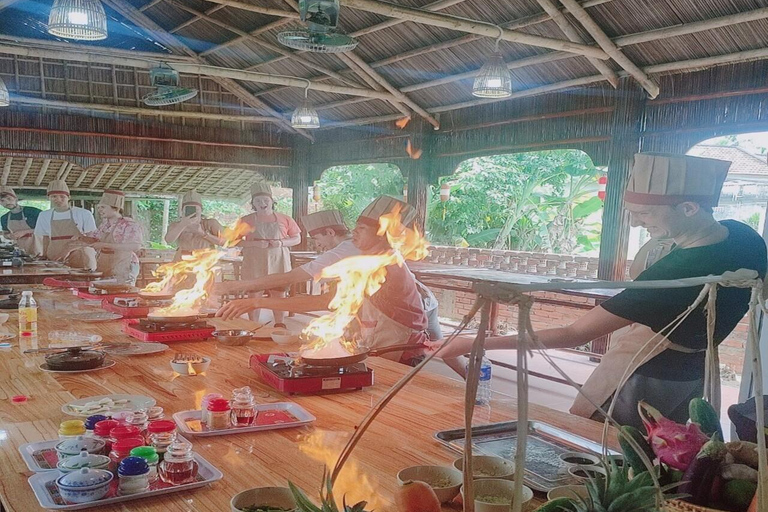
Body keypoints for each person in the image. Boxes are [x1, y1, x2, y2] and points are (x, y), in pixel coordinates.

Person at [433, 153, 768, 429]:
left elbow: (573, 333)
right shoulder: (744, 236)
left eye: (645, 213)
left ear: (690, 208)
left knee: (598, 442)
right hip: (697, 368)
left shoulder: (676, 273)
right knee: (673, 449)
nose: (636, 223)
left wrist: (477, 341)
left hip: (646, 373)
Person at [220, 196, 428, 365]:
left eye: (362, 229)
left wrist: (257, 301)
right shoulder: (367, 259)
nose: (353, 232)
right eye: (356, 227)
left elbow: (325, 302)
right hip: (379, 339)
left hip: (400, 348)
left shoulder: (382, 266)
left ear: (383, 236)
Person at [214, 209, 357, 302]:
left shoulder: (344, 250)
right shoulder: (351, 245)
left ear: (330, 233)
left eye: (317, 240)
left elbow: (289, 278)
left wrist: (235, 286)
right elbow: (326, 301)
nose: (318, 245)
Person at [236, 182, 301, 327]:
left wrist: (281, 243)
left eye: (265, 200)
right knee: (254, 293)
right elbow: (234, 241)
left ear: (272, 201)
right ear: (253, 204)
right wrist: (254, 244)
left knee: (278, 293)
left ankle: (279, 323)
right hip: (254, 261)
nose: (262, 203)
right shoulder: (245, 220)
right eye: (258, 201)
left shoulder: (285, 219)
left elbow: (297, 238)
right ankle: (253, 324)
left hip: (278, 259)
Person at [35, 180, 97, 269]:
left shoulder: (84, 213)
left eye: (62, 196)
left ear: (69, 197)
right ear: (48, 197)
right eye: (54, 196)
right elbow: (45, 239)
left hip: (80, 256)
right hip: (55, 257)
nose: (58, 200)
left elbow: (90, 240)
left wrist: (68, 250)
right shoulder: (44, 215)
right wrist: (44, 255)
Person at [85, 190, 144, 285]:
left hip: (125, 266)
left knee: (122, 293)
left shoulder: (129, 224)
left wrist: (104, 245)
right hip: (106, 265)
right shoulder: (105, 225)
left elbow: (135, 246)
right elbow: (94, 237)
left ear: (115, 208)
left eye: (103, 207)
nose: (99, 210)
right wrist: (80, 237)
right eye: (99, 207)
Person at [164, 190, 223, 262]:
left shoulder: (210, 223)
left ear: (201, 210)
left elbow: (224, 242)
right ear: (183, 210)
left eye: (196, 209)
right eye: (189, 209)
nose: (193, 212)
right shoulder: (176, 225)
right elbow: (168, 240)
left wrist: (203, 234)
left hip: (205, 262)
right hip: (183, 262)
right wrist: (182, 225)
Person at [0, 186, 42, 257]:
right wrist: (10, 235)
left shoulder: (33, 212)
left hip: (39, 250)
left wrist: (24, 232)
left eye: (9, 198)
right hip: (19, 252)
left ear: (16, 199)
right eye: (2, 201)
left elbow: (47, 228)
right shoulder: (4, 218)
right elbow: (5, 234)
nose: (7, 202)